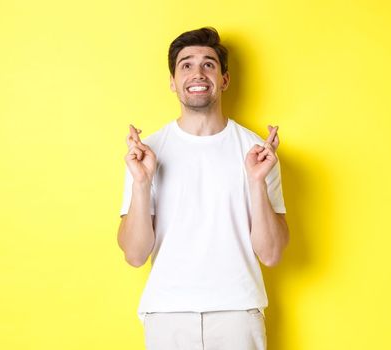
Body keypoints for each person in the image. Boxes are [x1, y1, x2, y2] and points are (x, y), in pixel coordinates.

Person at [117, 27, 290, 350]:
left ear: (224, 79)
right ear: (172, 81)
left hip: (238, 312)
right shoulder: (147, 152)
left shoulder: (257, 152)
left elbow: (272, 253)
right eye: (186, 64)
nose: (198, 72)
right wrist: (142, 183)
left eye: (209, 64)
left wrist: (256, 182)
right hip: (167, 314)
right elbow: (135, 254)